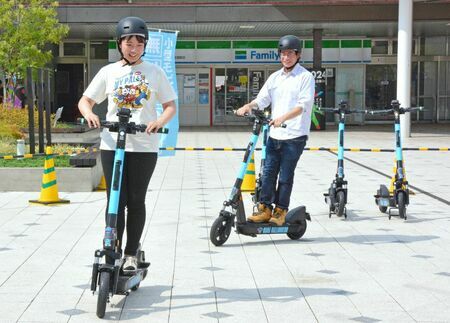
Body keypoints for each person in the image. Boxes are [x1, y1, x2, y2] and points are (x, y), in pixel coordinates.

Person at [78, 16, 177, 272]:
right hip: (112, 144)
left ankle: (131, 253)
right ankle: (114, 248)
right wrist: (89, 113)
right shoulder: (108, 72)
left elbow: (170, 106)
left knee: (135, 200)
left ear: (145, 45)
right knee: (115, 200)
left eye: (138, 43)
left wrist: (158, 122)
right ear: (119, 44)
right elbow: (85, 100)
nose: (133, 48)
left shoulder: (155, 72)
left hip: (143, 146)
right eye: (128, 43)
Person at [236, 35, 315, 226]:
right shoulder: (275, 77)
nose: (286, 57)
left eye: (290, 53)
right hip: (275, 135)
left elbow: (302, 106)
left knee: (286, 175)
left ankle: (280, 211)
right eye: (283, 53)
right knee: (268, 173)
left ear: (298, 55)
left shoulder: (305, 77)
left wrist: (282, 118)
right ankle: (265, 209)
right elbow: (262, 99)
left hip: (295, 135)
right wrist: (248, 105)